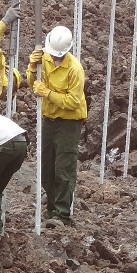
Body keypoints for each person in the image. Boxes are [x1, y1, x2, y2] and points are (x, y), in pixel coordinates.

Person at [27, 25, 86, 227]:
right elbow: (32, 84)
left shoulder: (74, 69)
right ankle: (52, 209)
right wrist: (32, 68)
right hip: (48, 121)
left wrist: (48, 94)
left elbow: (73, 102)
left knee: (63, 169)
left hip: (68, 124)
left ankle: (62, 214)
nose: (52, 58)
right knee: (47, 168)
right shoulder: (44, 58)